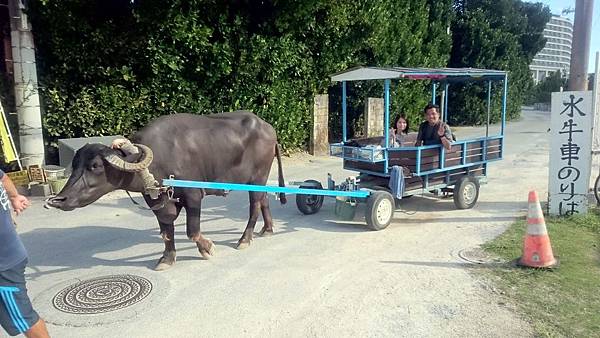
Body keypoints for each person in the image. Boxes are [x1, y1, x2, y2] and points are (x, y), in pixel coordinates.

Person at [0, 170, 50, 338]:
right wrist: (15, 197)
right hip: (11, 252)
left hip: (4, 265)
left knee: (23, 318)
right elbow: (3, 177)